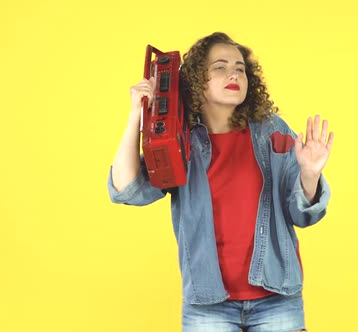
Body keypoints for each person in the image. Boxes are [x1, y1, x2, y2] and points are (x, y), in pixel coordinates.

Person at [108, 32, 334, 332]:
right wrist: (136, 114)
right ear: (196, 80)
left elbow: (304, 214)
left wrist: (310, 173)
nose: (234, 74)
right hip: (207, 304)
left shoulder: (273, 131)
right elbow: (128, 190)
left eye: (240, 68)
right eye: (220, 67)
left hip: (277, 299)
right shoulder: (179, 141)